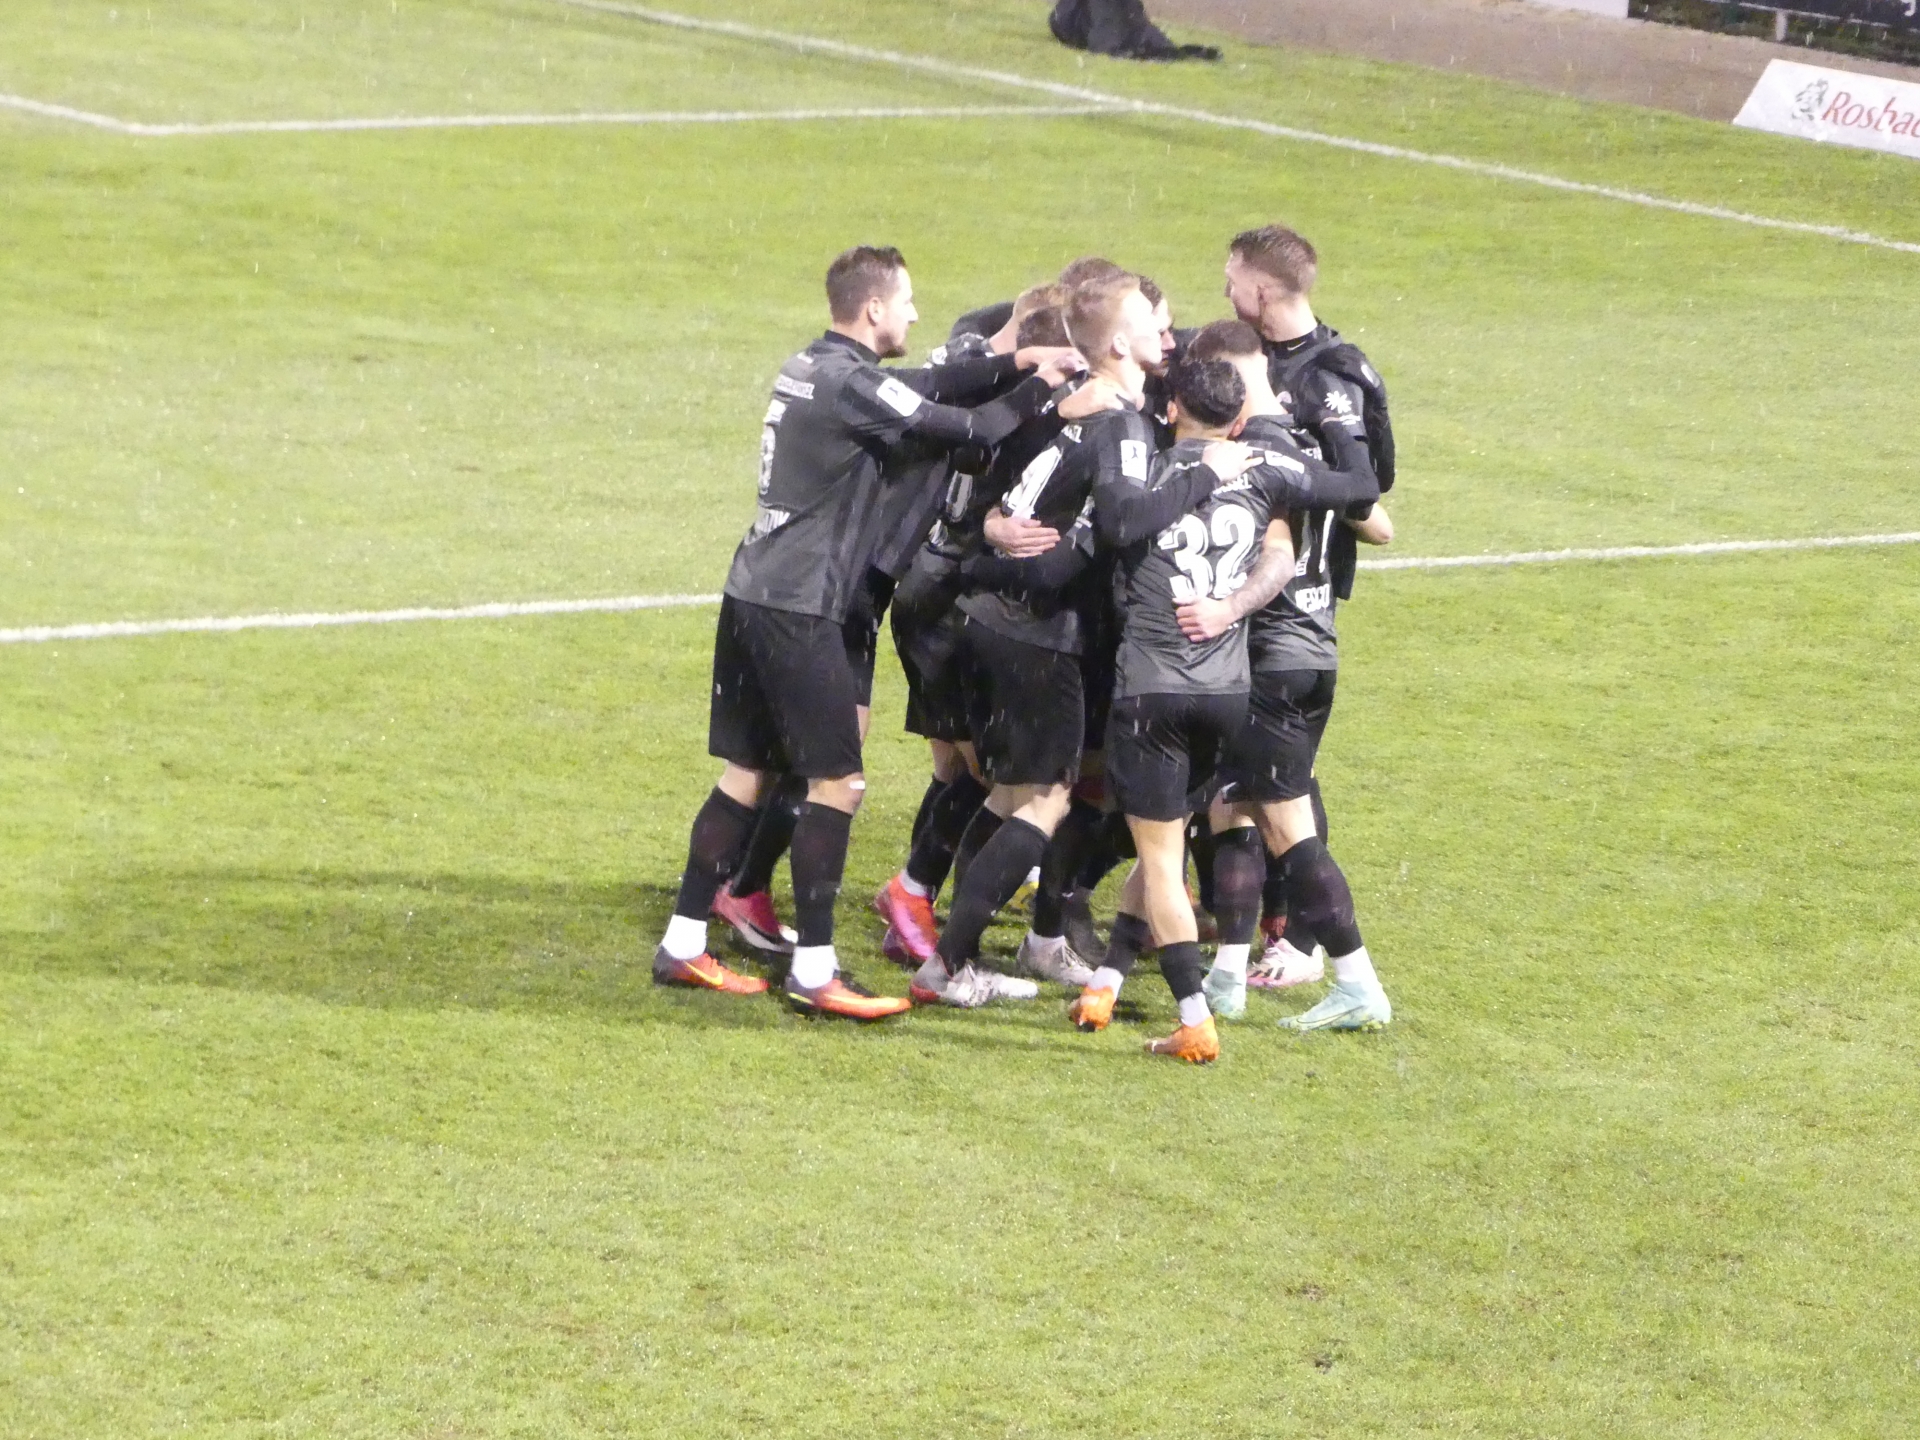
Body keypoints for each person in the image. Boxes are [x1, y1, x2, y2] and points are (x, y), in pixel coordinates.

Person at [651, 245, 1080, 1021]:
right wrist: (1044, 388)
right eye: (906, 301)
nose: (915, 313)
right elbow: (970, 424)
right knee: (837, 784)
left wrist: (1017, 359)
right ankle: (816, 972)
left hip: (753, 588)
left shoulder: (812, 367)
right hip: (803, 604)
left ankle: (683, 943)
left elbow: (924, 386)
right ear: (874, 308)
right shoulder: (852, 384)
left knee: (748, 772)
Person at [911, 273, 1256, 1009]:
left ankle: (966, 945)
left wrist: (986, 548)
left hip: (998, 621)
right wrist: (1206, 477)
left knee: (1012, 797)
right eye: (1150, 324)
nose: (1166, 335)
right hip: (1035, 633)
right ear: (1121, 343)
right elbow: (1125, 521)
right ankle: (948, 964)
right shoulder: (1118, 424)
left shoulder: (1084, 408)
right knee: (1045, 802)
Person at [1063, 355, 1294, 1063]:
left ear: (1171, 412)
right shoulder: (1261, 473)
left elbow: (1108, 534)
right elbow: (1295, 544)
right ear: (1240, 419)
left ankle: (1194, 1019)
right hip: (1224, 694)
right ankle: (1105, 983)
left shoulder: (1149, 478)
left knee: (1161, 859)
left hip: (1153, 690)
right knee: (1160, 843)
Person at [1169, 321, 1390, 1030]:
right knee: (1231, 806)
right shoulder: (1312, 445)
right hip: (1315, 648)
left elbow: (1267, 553)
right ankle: (1228, 976)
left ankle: (1357, 982)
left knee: (1287, 827)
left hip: (1271, 655)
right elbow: (1374, 519)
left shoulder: (1250, 454)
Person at [1224, 224, 1398, 981]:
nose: (1225, 290)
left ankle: (1299, 940)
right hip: (1247, 601)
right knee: (1252, 780)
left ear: (1263, 288)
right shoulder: (1248, 354)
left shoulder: (1329, 375)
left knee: (1283, 781)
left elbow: (1368, 490)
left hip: (1293, 604)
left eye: (1233, 280)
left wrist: (1281, 475)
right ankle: (1257, 926)